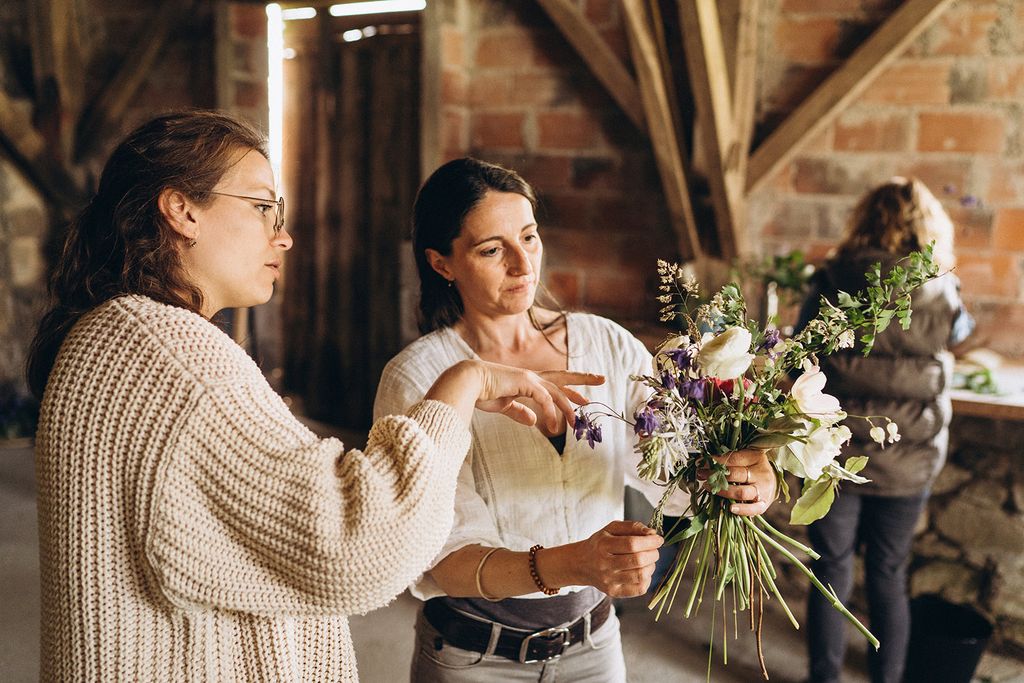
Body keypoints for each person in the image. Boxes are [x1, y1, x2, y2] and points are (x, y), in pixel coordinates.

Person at [26, 111, 601, 682]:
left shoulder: (112, 336)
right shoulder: (177, 359)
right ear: (183, 210)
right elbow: (363, 544)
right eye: (261, 207)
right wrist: (465, 381)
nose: (284, 235)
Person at [373, 157, 779, 682]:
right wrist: (576, 564)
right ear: (442, 263)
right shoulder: (418, 379)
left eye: (530, 237)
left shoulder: (605, 343)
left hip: (594, 645)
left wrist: (741, 478)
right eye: (492, 250)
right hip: (473, 658)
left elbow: (676, 478)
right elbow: (438, 558)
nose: (523, 265)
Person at [796, 177, 974, 683]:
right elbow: (961, 334)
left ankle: (823, 678)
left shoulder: (833, 277)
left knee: (830, 572)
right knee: (889, 576)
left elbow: (802, 345)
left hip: (834, 450)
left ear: (865, 217)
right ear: (927, 224)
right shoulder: (941, 286)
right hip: (911, 454)